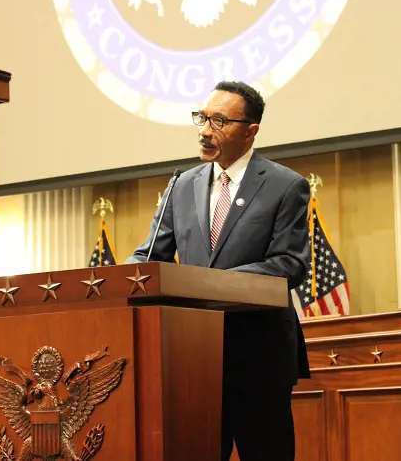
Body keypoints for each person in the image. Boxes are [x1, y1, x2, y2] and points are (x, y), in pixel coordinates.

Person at [126, 81, 311, 461]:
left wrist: (209, 284)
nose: (205, 131)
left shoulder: (285, 185)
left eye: (220, 121)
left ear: (251, 130)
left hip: (257, 356)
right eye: (202, 118)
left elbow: (289, 264)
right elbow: (151, 255)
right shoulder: (181, 185)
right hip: (191, 355)